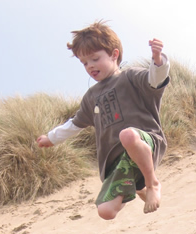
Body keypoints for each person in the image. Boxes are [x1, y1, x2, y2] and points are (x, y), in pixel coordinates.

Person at [37, 21, 170, 220]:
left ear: (114, 55)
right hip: (117, 161)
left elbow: (155, 79)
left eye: (95, 58)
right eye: (84, 63)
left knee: (128, 135)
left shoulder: (130, 77)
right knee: (106, 211)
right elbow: (75, 123)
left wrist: (158, 60)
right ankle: (139, 187)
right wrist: (51, 138)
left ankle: (152, 184)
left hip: (146, 142)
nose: (90, 66)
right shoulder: (91, 97)